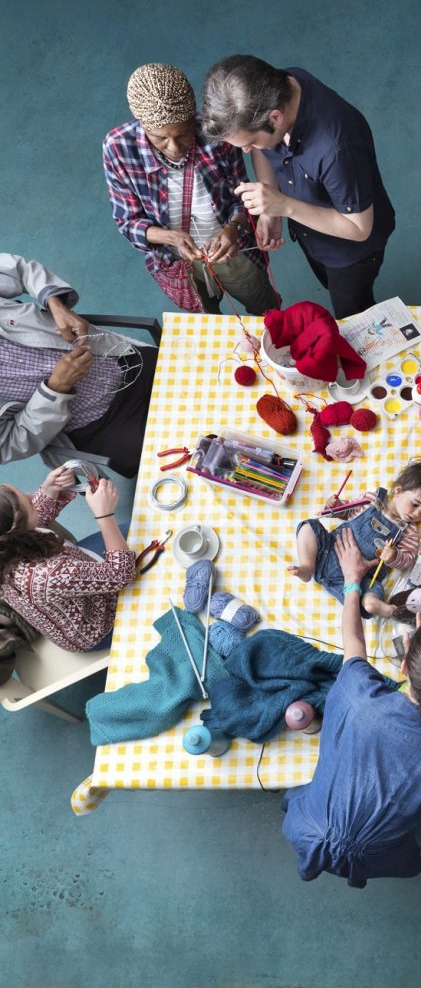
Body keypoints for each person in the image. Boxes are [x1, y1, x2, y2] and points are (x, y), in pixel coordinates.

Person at [280, 526, 421, 886]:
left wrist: (352, 581)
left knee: (305, 796)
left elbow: (352, 639)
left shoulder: (359, 694)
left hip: (308, 827)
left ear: (403, 666)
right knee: (405, 858)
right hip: (378, 854)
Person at [201, 55, 395, 320]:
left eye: (251, 142)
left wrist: (285, 205)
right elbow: (264, 149)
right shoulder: (282, 86)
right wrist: (271, 209)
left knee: (353, 311)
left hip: (350, 253)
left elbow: (359, 228)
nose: (247, 151)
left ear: (276, 117)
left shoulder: (337, 148)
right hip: (311, 231)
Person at [103, 63, 279, 316]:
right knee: (209, 324)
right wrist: (172, 238)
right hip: (178, 264)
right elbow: (127, 223)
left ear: (192, 117)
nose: (174, 147)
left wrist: (234, 228)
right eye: (160, 138)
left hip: (233, 253)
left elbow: (242, 196)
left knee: (268, 312)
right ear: (142, 125)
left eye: (183, 134)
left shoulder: (217, 133)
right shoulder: (118, 148)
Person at [0, 252, 156, 477]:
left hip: (122, 361)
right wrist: (54, 389)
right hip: (99, 427)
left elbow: (21, 270)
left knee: (201, 374)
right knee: (184, 450)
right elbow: (11, 442)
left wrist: (56, 305)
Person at [288, 457, 421, 616]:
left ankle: (374, 605)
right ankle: (307, 567)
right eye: (415, 504)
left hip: (355, 581)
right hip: (325, 553)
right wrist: (336, 507)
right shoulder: (372, 499)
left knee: (372, 593)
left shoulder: (409, 531)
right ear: (398, 491)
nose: (416, 514)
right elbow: (348, 512)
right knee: (309, 526)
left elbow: (407, 561)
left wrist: (394, 556)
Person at [0, 468, 135, 653]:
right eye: (29, 502)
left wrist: (48, 491)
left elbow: (32, 521)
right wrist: (105, 515)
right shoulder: (47, 574)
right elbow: (122, 574)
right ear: (18, 532)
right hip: (101, 625)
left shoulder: (7, 546)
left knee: (140, 528)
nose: (33, 496)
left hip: (77, 566)